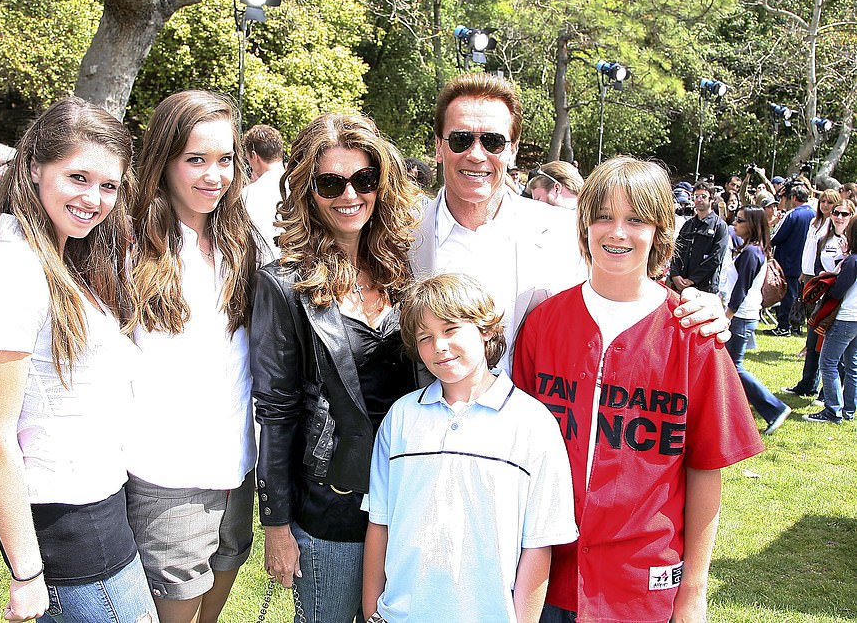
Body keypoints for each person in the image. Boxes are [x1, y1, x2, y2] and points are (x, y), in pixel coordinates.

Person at [512, 156, 765, 623]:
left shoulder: (693, 333)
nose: (617, 232)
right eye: (603, 216)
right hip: (543, 576)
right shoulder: (543, 323)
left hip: (642, 585)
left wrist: (694, 592)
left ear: (659, 231)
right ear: (584, 224)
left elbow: (706, 468)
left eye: (635, 219)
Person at [0, 98, 157, 622]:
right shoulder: (13, 270)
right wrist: (26, 575)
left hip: (99, 509)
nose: (94, 199)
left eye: (109, 185)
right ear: (34, 169)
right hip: (67, 526)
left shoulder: (58, 258)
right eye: (78, 177)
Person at [409, 72, 730, 375]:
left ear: (513, 150)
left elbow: (627, 295)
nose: (477, 154)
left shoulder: (566, 232)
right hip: (430, 422)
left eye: (492, 141)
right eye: (461, 139)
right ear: (439, 147)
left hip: (541, 422)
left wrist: (696, 305)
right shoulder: (404, 236)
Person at [250, 113, 422, 622]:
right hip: (330, 506)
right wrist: (277, 527)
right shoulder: (283, 285)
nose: (350, 194)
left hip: (404, 497)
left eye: (363, 179)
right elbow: (276, 413)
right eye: (330, 183)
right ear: (308, 191)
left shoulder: (401, 270)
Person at [361, 273, 577, 622]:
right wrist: (372, 612)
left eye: (450, 329)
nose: (439, 346)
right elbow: (379, 524)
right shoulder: (401, 418)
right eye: (425, 337)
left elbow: (538, 544)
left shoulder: (532, 423)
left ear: (486, 329)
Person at [126, 91, 262, 623]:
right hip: (166, 470)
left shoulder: (241, 243)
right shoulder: (130, 246)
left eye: (225, 159)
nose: (214, 175)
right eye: (196, 160)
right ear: (164, 159)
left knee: (221, 587)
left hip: (237, 461)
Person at [722, 206, 793, 434]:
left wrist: (727, 316)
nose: (735, 223)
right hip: (742, 315)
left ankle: (775, 408)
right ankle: (740, 414)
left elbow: (741, 289)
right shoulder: (749, 250)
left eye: (740, 221)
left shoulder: (752, 253)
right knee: (731, 368)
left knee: (734, 368)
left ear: (752, 225)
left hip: (740, 316)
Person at [783, 193, 846, 398]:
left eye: (841, 212)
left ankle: (827, 394)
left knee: (834, 350)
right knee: (813, 342)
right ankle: (807, 383)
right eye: (827, 204)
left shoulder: (848, 239)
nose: (833, 211)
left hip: (838, 297)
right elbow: (816, 259)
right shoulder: (819, 228)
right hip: (817, 286)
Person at [806, 214, 857, 424]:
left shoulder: (852, 261)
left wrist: (832, 275)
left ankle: (833, 410)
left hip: (845, 317)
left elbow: (837, 291)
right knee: (852, 364)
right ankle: (849, 409)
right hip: (855, 318)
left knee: (828, 363)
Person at [770, 182, 816, 335]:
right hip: (806, 264)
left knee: (788, 295)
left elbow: (776, 237)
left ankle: (784, 326)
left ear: (794, 197)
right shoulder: (815, 214)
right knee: (800, 296)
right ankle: (797, 325)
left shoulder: (793, 214)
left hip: (789, 262)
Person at [669, 180, 729, 294]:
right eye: (696, 196)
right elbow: (676, 251)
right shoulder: (688, 224)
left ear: (711, 199)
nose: (699, 199)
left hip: (704, 288)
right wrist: (675, 274)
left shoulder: (720, 226)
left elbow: (716, 258)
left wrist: (692, 280)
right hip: (681, 285)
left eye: (703, 196)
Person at [242, 123, 286, 258]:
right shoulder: (301, 186)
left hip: (265, 272)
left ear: (254, 156)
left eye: (248, 158)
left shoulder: (248, 195)